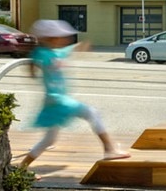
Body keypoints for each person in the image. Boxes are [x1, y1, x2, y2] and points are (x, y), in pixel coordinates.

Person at [18, 19, 129, 171]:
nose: (65, 39)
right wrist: (34, 67)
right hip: (57, 100)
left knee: (49, 139)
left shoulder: (50, 52)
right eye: (61, 37)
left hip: (53, 100)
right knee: (92, 113)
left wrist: (77, 46)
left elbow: (62, 52)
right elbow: (39, 60)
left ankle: (21, 169)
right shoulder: (43, 54)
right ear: (51, 38)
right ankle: (109, 150)